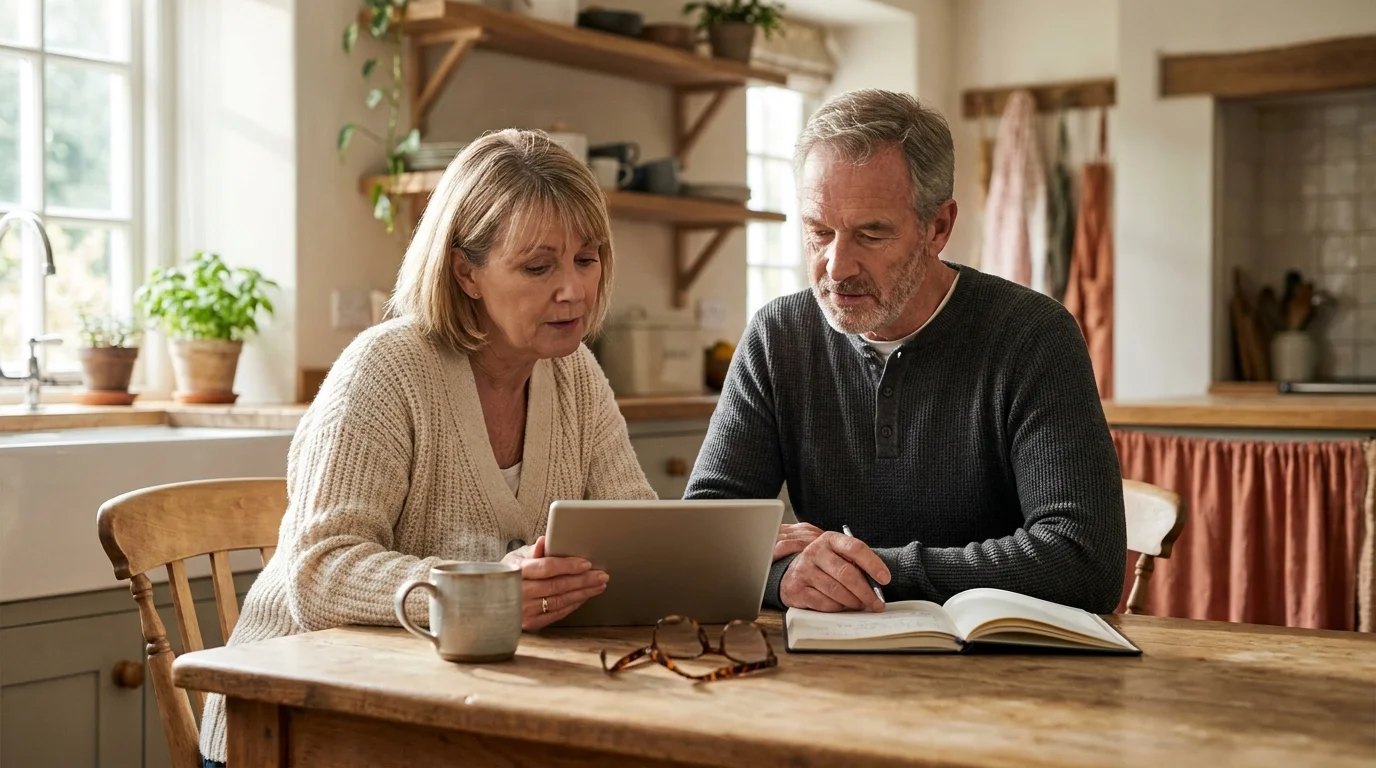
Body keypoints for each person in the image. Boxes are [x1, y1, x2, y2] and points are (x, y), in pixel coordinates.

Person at [199, 129, 656, 767]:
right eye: (538, 265)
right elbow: (318, 572)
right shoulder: (385, 369)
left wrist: (710, 547)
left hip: (463, 710)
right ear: (466, 270)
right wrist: (483, 594)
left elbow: (632, 526)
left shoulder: (575, 373)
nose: (574, 290)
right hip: (297, 722)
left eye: (588, 258)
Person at [684, 89, 1126, 616]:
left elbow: (1083, 562)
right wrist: (784, 577)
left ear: (938, 227)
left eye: (870, 234)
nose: (836, 266)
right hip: (830, 667)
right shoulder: (777, 337)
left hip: (1002, 667)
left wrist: (870, 571)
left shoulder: (1034, 336)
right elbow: (707, 532)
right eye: (818, 232)